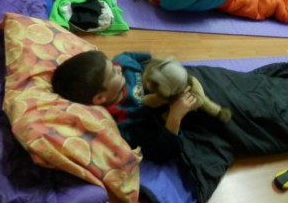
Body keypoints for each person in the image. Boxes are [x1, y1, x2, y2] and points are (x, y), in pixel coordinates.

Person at [51, 50, 197, 163]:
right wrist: (175, 117)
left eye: (112, 64)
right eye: (113, 73)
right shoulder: (125, 120)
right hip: (182, 110)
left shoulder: (122, 64)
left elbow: (130, 56)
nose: (118, 67)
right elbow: (159, 152)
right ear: (100, 98)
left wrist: (158, 64)